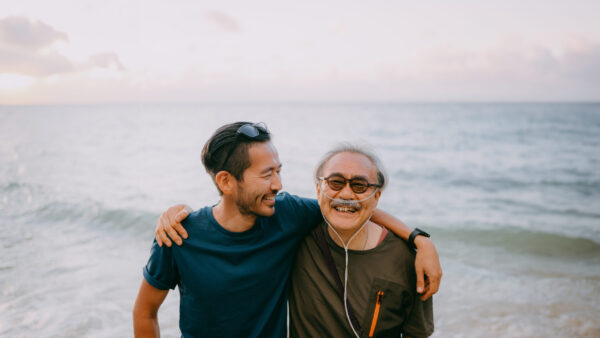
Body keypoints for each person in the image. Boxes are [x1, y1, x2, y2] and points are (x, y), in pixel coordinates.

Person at [134, 122, 441, 337]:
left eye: (279, 172)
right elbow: (145, 313)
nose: (278, 185)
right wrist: (178, 211)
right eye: (267, 175)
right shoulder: (178, 236)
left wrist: (419, 240)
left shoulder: (287, 214)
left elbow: (349, 206)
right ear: (226, 182)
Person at [289, 144, 433, 337]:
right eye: (335, 182)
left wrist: (421, 241)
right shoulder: (295, 237)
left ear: (376, 197)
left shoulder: (406, 260)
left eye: (359, 185)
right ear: (318, 189)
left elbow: (416, 334)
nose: (347, 194)